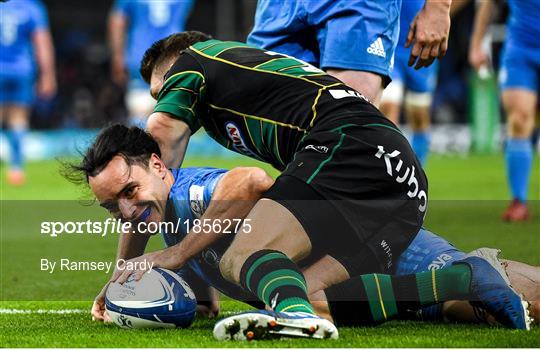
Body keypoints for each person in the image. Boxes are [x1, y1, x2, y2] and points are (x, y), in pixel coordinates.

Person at [65, 125, 535, 337]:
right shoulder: (167, 219)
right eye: (113, 206)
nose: (126, 211)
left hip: (375, 246)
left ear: (157, 165)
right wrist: (129, 285)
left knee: (524, 290)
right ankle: (462, 283)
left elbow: (250, 180)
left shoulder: (189, 193)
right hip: (359, 280)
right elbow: (195, 297)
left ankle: (464, 278)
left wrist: (177, 254)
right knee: (478, 311)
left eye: (129, 190)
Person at [247, 0, 451, 106]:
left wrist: (439, 6)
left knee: (349, 123)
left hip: (356, 4)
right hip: (280, 6)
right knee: (283, 128)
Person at [469, 0, 539, 222]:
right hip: (521, 49)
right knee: (519, 120)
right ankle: (519, 201)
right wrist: (476, 44)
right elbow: (488, 3)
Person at [108, 0, 193, 127]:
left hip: (141, 56)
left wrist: (118, 56)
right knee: (172, 115)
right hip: (173, 56)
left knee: (140, 114)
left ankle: (139, 143)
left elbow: (117, 20)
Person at [0, 0, 56, 185]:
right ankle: (16, 168)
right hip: (21, 70)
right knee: (18, 118)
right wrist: (48, 74)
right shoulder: (32, 8)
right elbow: (42, 42)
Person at [379, 0, 438, 166]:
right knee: (387, 110)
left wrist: (438, 16)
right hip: (389, 42)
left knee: (419, 116)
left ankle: (418, 174)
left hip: (420, 43)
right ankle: (387, 176)